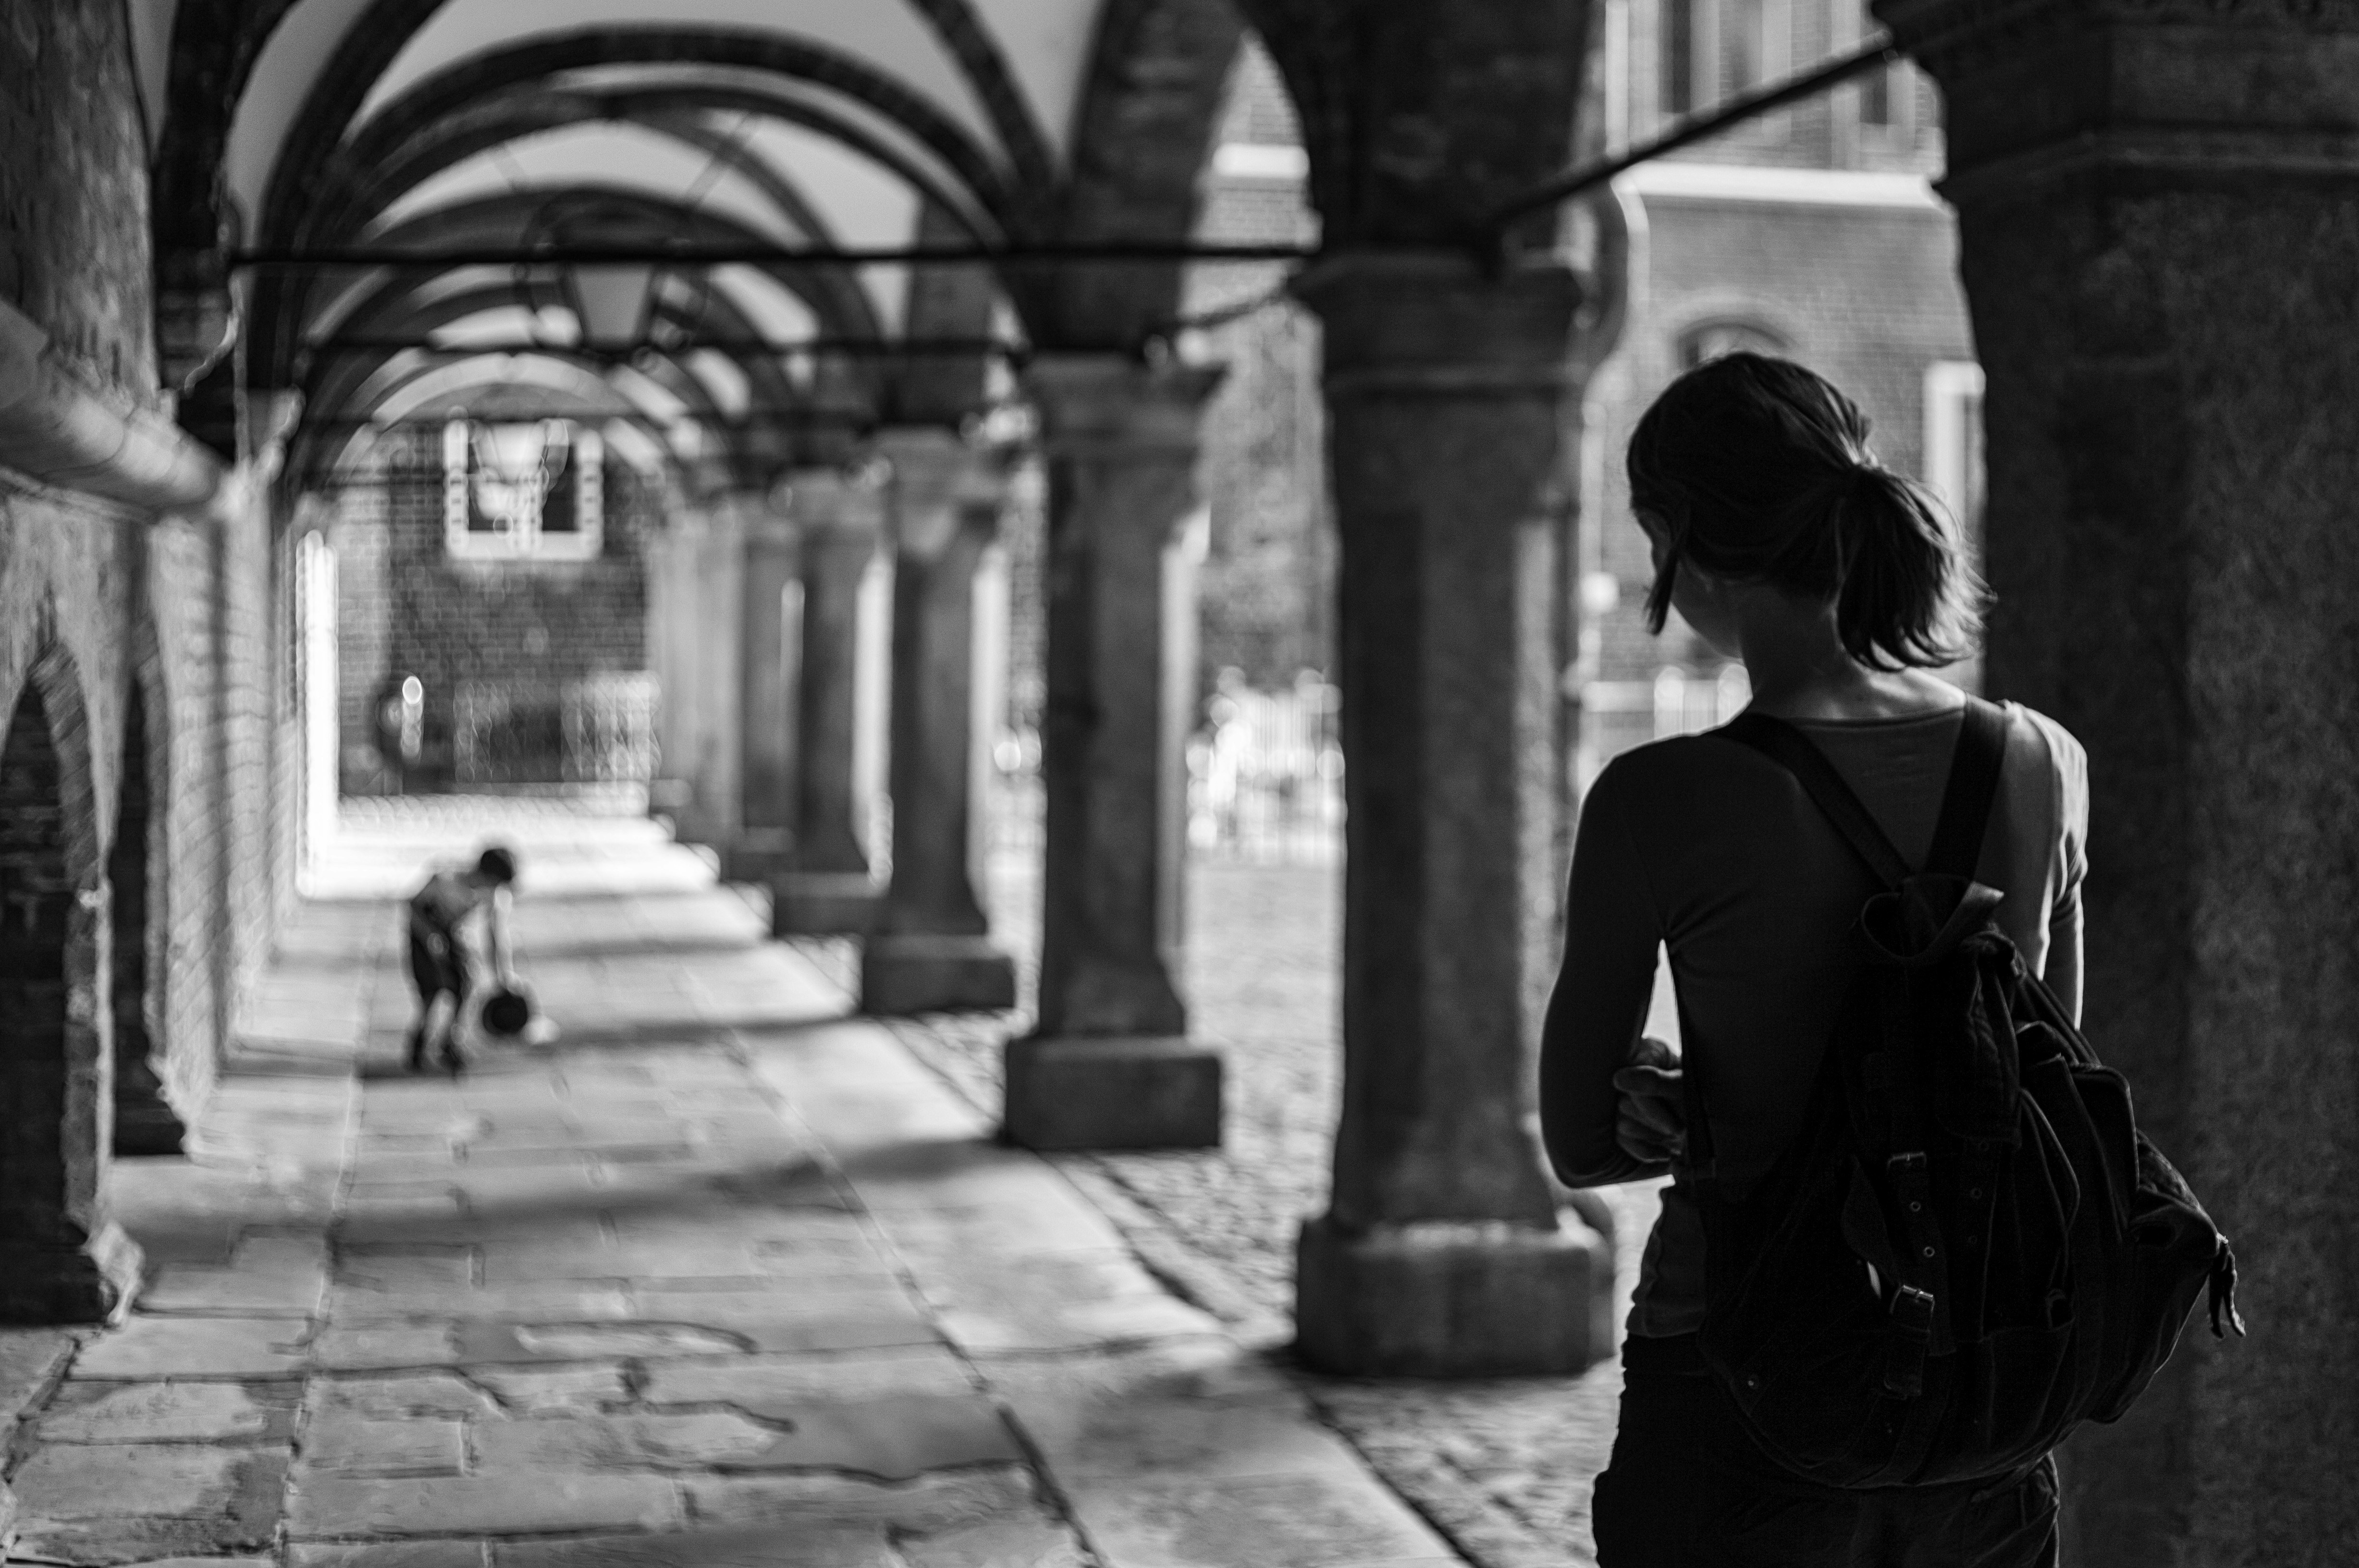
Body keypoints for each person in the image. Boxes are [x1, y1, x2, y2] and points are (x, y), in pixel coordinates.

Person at [1539, 354, 2087, 1566]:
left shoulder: (1654, 799)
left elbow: (1578, 1137)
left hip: (1737, 1364)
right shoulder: (2036, 762)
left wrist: (1686, 1110)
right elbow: (2033, 1077)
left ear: (1677, 539)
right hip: (1979, 1377)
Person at [405, 844, 519, 1076]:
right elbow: (413, 907)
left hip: (450, 934)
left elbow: (495, 937)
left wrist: (503, 976)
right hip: (422, 934)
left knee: (467, 982)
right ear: (485, 874)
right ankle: (420, 1041)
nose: (496, 890)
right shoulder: (446, 879)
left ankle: (451, 1039)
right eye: (495, 883)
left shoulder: (494, 896)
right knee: (432, 990)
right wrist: (430, 936)